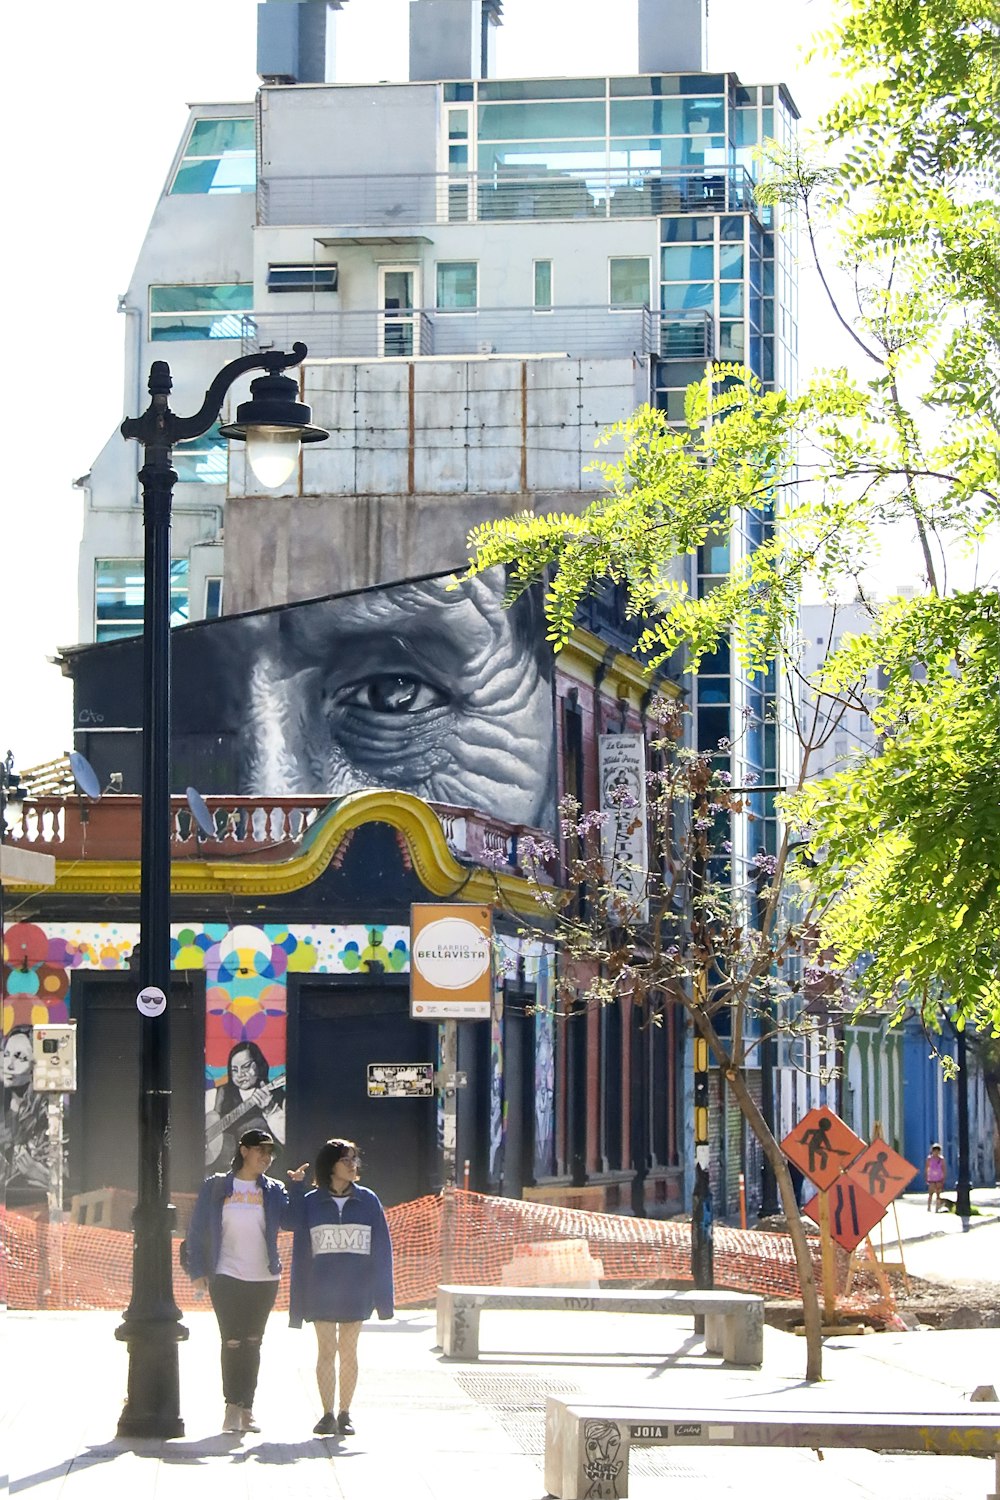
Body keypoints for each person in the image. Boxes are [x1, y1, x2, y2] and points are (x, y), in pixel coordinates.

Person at [185, 1127, 297, 1433]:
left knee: (253, 1342)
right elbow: (196, 1231)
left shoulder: (273, 1189)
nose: (266, 1157)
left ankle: (247, 1408)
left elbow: (291, 1221)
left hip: (264, 1276)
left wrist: (297, 1189)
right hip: (226, 1273)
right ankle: (231, 1406)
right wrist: (197, 1272)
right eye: (260, 1150)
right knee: (231, 1340)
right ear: (244, 1150)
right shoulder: (217, 1186)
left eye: (270, 1152)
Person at [287, 1138, 394, 1438]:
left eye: (355, 1159)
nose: (353, 1165)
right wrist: (295, 1188)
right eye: (346, 1159)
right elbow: (290, 1223)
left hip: (356, 1290)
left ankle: (345, 1414)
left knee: (348, 1351)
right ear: (331, 1165)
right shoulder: (310, 1201)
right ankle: (327, 1414)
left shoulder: (369, 1201)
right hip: (320, 1290)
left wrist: (384, 1299)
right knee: (325, 1350)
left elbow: (382, 1250)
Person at [205, 1041, 286, 1169]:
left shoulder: (278, 1097)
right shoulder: (218, 1094)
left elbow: (287, 1139)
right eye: (234, 1070)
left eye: (246, 1067)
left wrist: (271, 1110)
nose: (240, 1074)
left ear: (259, 1064)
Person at [1, 1026, 50, 1207]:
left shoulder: (48, 1116)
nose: (9, 1065)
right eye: (6, 1055)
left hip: (30, 1208)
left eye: (20, 1057)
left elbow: (65, 1181)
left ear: (33, 1068)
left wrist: (35, 1171)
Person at [925, 1141, 947, 1212]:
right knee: (930, 1193)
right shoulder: (929, 1159)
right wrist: (926, 1176)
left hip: (939, 1177)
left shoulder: (941, 1159)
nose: (936, 1152)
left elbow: (943, 1168)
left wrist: (944, 1177)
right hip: (931, 1177)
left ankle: (937, 1208)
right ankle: (929, 1207)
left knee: (938, 1193)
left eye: (938, 1151)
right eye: (935, 1151)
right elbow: (927, 1168)